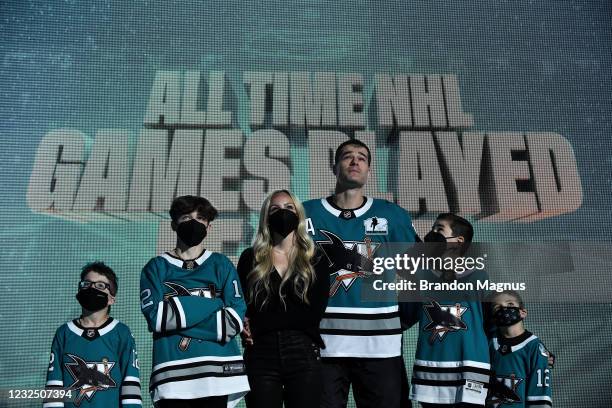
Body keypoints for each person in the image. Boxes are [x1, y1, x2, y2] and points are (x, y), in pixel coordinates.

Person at [302, 139, 419, 408]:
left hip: (381, 347)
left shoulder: (392, 215)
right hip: (323, 345)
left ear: (368, 171)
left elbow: (417, 269)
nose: (355, 162)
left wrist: (404, 316)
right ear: (334, 166)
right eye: (347, 156)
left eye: (362, 158)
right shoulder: (305, 213)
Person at [139, 195, 249, 408]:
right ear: (173, 224)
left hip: (218, 375)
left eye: (200, 218)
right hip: (172, 375)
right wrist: (215, 305)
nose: (194, 223)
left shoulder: (221, 264)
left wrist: (179, 318)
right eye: (186, 217)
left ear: (208, 226)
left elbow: (234, 319)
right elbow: (157, 318)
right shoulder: (155, 268)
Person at [237, 189, 330, 408]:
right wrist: (250, 324)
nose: (283, 213)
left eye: (289, 208)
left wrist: (261, 323)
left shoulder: (315, 259)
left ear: (298, 215)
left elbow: (313, 313)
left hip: (303, 352)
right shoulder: (250, 258)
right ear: (266, 217)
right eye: (275, 209)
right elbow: (244, 308)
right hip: (260, 354)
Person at [404, 213, 490, 407]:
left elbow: (492, 324)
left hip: (471, 368)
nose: (432, 234)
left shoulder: (478, 276)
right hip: (431, 369)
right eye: (432, 229)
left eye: (439, 229)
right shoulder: (420, 275)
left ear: (459, 241)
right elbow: (405, 318)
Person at [44, 262, 142, 408]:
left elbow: (130, 383)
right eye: (86, 284)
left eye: (101, 285)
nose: (91, 288)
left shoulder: (122, 333)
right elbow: (54, 385)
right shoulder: (63, 333)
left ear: (111, 299)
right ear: (78, 291)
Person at [486, 291, 552, 408]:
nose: (504, 309)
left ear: (523, 312)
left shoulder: (534, 347)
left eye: (510, 304)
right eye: (497, 307)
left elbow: (540, 398)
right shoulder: (489, 343)